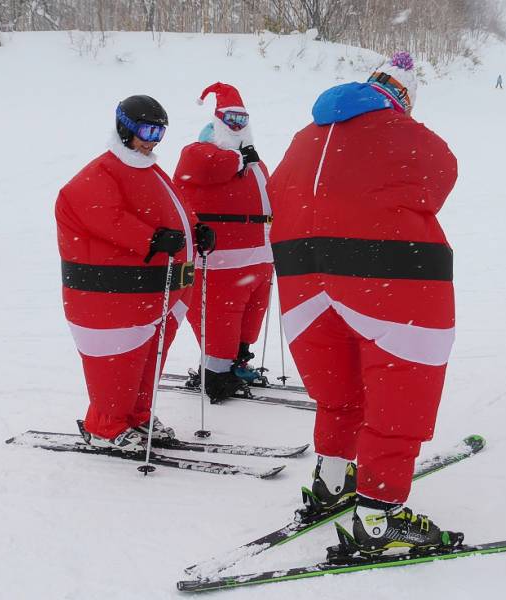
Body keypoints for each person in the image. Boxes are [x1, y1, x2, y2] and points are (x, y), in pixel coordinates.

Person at [268, 51, 460, 554]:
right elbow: (441, 179)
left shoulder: (304, 136)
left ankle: (333, 479)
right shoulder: (403, 132)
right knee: (402, 387)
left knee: (340, 390)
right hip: (389, 274)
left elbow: (277, 192)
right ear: (402, 97)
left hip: (301, 278)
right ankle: (378, 517)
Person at [55, 95, 214, 450]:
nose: (153, 140)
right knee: (119, 362)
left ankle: (138, 415)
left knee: (146, 359)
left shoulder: (149, 169)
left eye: (159, 132)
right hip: (113, 298)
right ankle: (105, 426)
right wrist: (151, 238)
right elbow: (101, 215)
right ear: (124, 128)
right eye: (146, 131)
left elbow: (175, 207)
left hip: (154, 293)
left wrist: (196, 228)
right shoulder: (100, 173)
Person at [174, 82, 273, 402]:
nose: (237, 126)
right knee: (220, 319)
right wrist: (238, 158)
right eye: (230, 119)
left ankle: (237, 361)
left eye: (242, 119)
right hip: (219, 261)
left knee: (249, 320)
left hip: (259, 258)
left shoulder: (256, 164)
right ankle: (215, 374)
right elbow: (203, 164)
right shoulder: (199, 154)